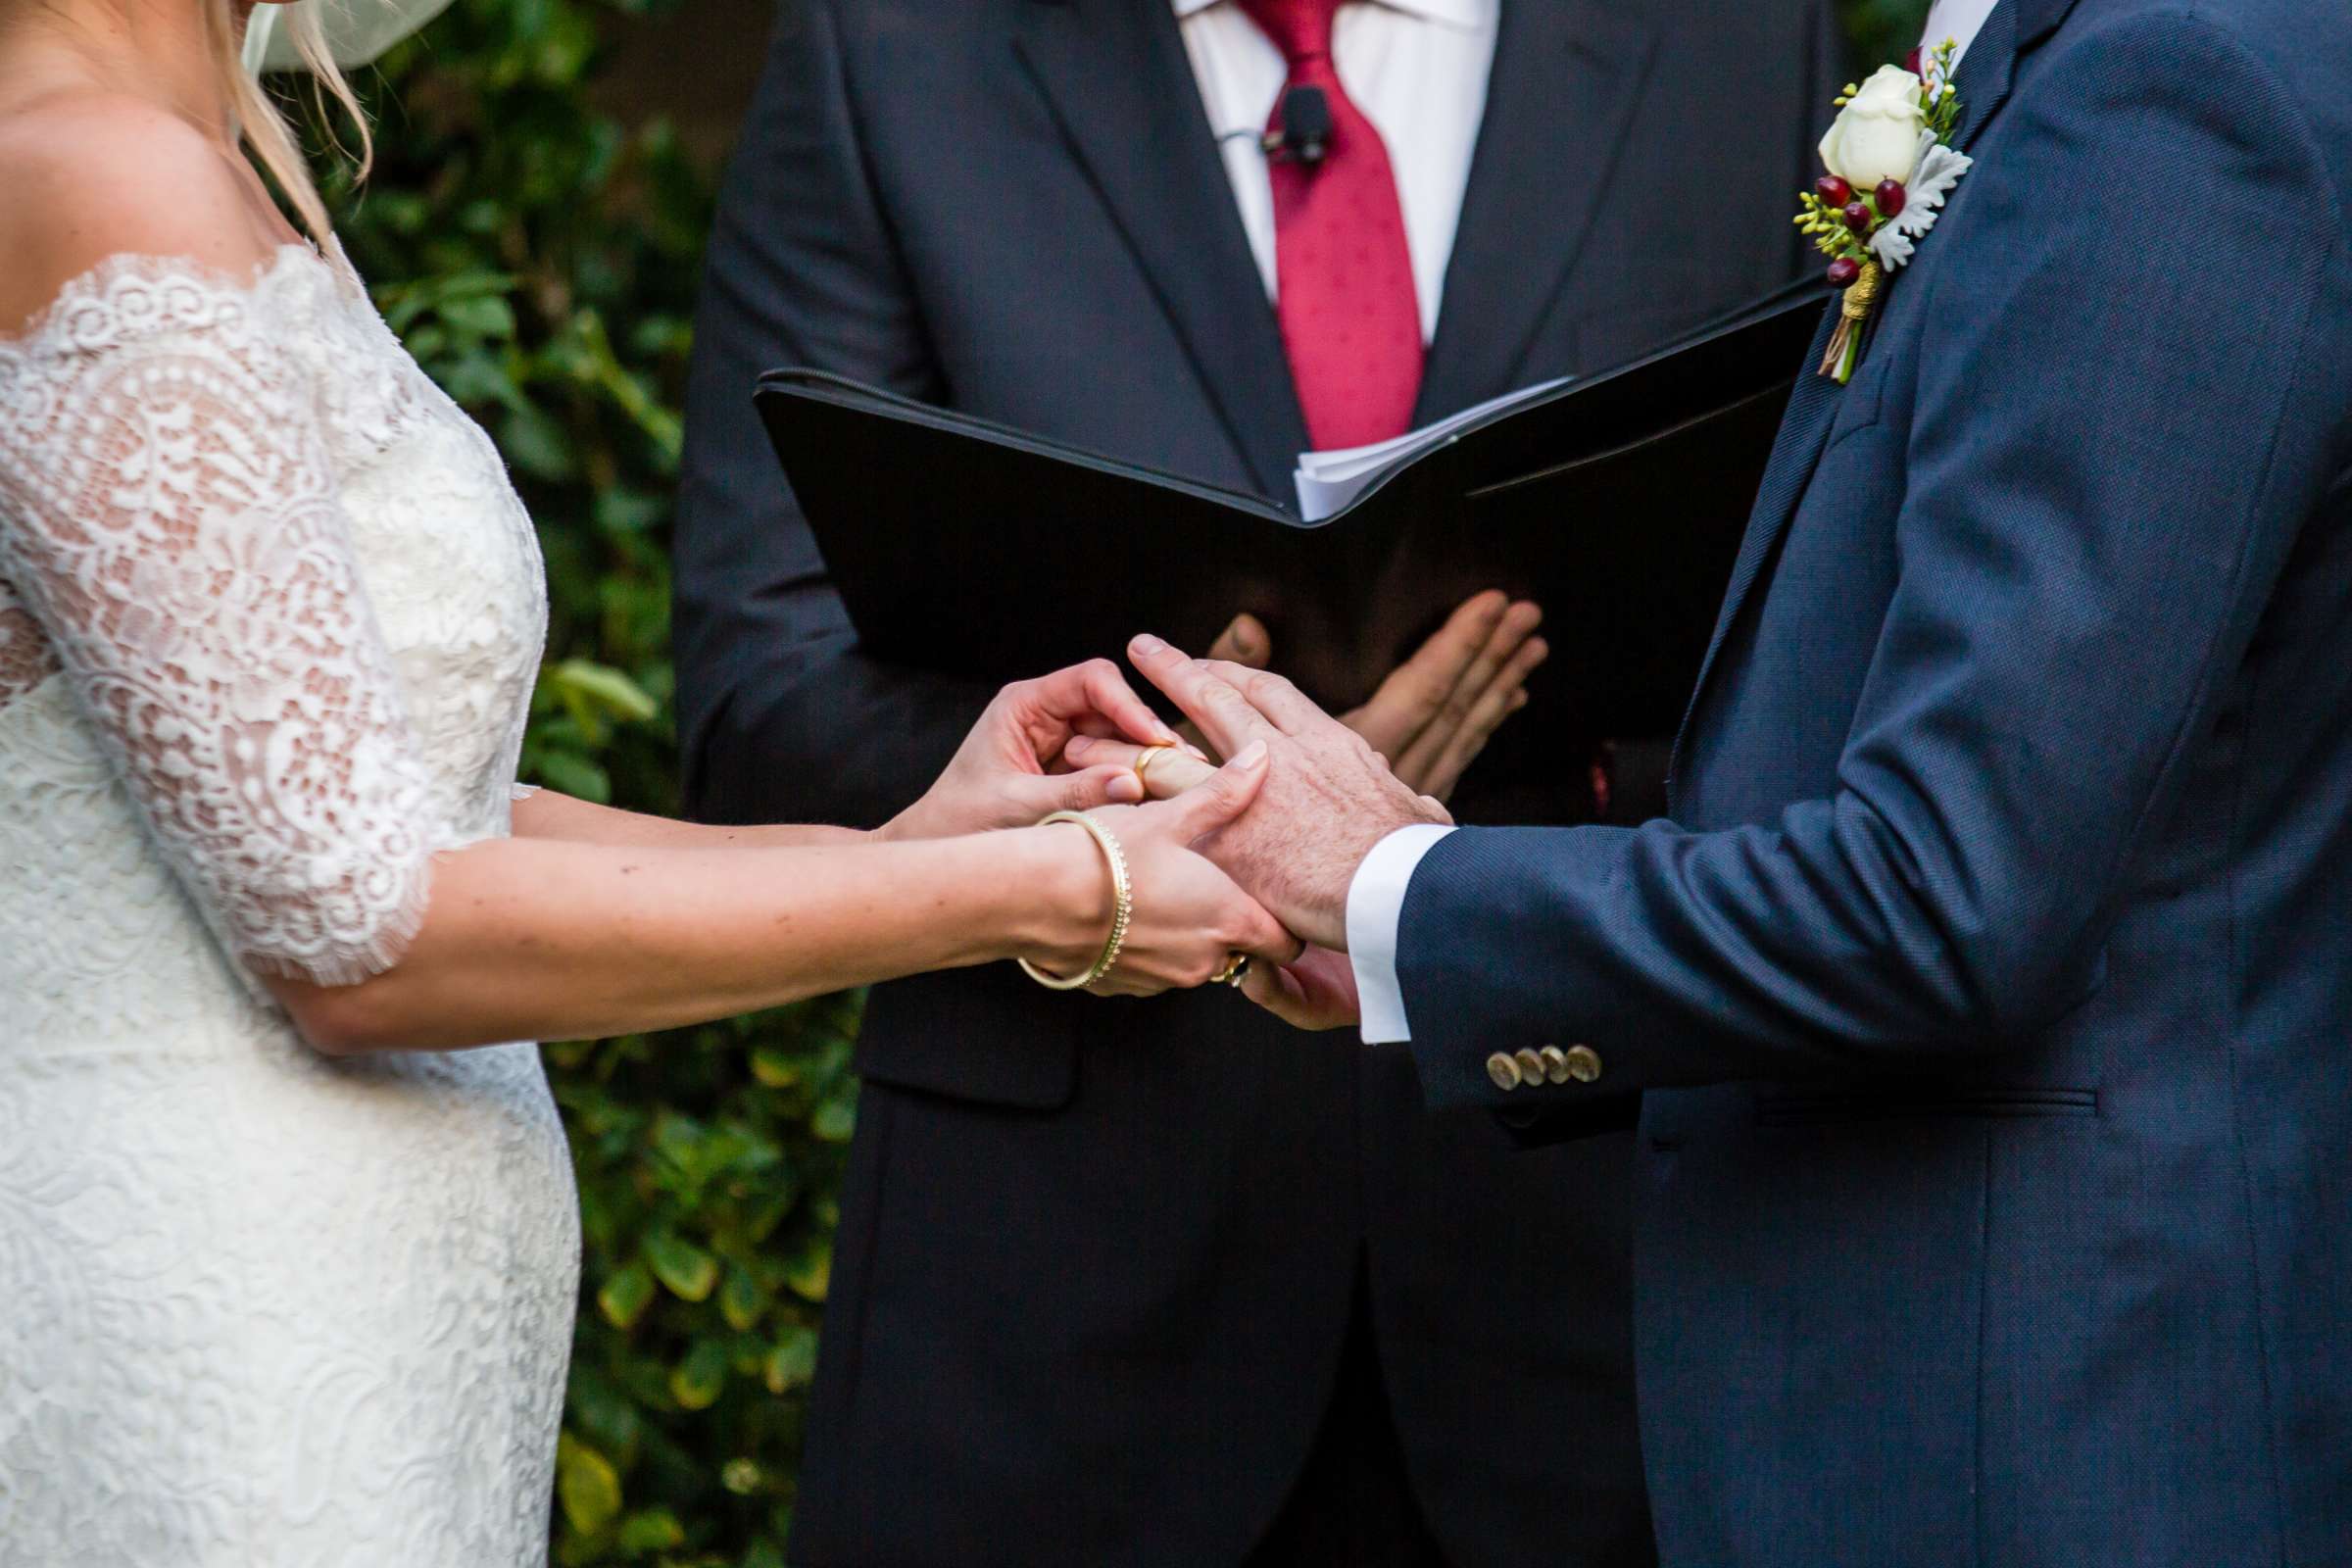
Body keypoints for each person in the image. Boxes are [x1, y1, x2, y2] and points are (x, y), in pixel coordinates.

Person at [0, 1, 1287, 1560]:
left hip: (349, 1326)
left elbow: (396, 810)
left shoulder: (184, 168)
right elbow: (355, 932)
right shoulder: (95, 174)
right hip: (213, 1318)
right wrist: (1030, 892)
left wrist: (913, 839)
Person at [1109, 0, 2352, 1562]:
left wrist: (1391, 890)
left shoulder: (2176, 89)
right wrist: (1409, 924)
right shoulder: (2064, 62)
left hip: (2048, 1432)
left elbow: (1951, 890)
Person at [673, 1, 1845, 1562]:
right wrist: (1176, 783)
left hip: (1582, 1283)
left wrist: (1506, 765)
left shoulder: (1731, 44)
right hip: (1052, 1321)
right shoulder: (897, 47)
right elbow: (760, 692)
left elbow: (1834, 645)